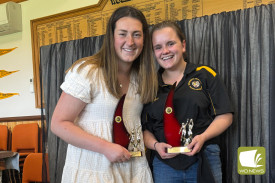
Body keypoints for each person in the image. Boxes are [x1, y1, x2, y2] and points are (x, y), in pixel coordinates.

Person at [50, 6, 158, 183]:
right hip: (94, 170)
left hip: (133, 170)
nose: (130, 42)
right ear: (111, 37)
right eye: (122, 34)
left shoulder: (142, 78)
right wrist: (106, 148)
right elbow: (58, 124)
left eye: (137, 34)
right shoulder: (87, 71)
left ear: (144, 40)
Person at [142, 21, 233, 183]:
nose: (165, 51)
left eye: (170, 43)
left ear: (183, 45)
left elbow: (225, 115)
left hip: (205, 157)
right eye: (158, 47)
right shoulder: (149, 85)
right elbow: (144, 129)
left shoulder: (205, 74)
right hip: (164, 165)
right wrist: (155, 145)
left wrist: (203, 137)